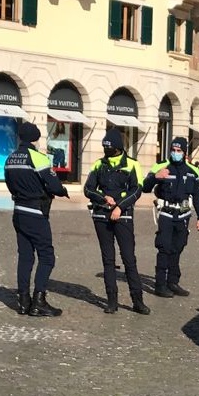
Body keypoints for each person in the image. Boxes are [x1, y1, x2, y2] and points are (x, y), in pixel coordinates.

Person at [4, 122, 70, 317]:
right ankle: (39, 301)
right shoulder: (38, 157)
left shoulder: (10, 158)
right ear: (35, 139)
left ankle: (23, 301)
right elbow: (54, 185)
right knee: (47, 257)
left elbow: (10, 184)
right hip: (36, 212)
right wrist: (62, 190)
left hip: (19, 211)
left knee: (25, 257)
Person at [83, 128, 149, 315]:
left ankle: (137, 301)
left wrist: (120, 207)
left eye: (110, 148)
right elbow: (88, 189)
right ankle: (112, 301)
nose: (107, 152)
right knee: (108, 259)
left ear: (119, 148)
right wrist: (103, 198)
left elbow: (137, 190)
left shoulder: (132, 164)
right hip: (101, 216)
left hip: (123, 216)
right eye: (105, 148)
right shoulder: (99, 164)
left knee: (129, 259)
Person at [143, 137, 199, 298]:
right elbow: (145, 187)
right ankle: (160, 284)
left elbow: (197, 195)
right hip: (166, 213)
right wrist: (156, 177)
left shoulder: (192, 171)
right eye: (173, 150)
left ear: (184, 153)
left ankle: (173, 282)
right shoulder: (161, 166)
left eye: (179, 151)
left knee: (178, 247)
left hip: (183, 214)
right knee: (164, 247)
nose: (175, 153)